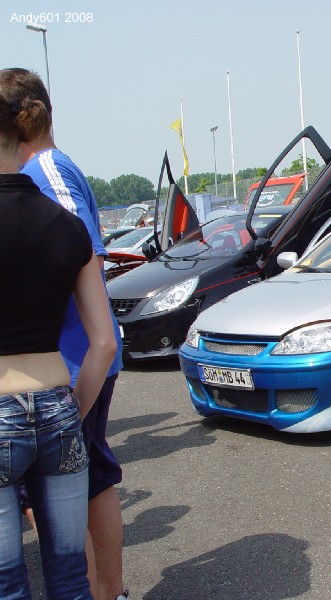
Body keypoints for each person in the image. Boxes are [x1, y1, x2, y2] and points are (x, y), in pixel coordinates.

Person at [0, 68, 128, 600]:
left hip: (9, 403)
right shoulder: (62, 219)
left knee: (9, 580)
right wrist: (70, 410)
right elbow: (104, 340)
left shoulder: (53, 178)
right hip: (58, 394)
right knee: (71, 573)